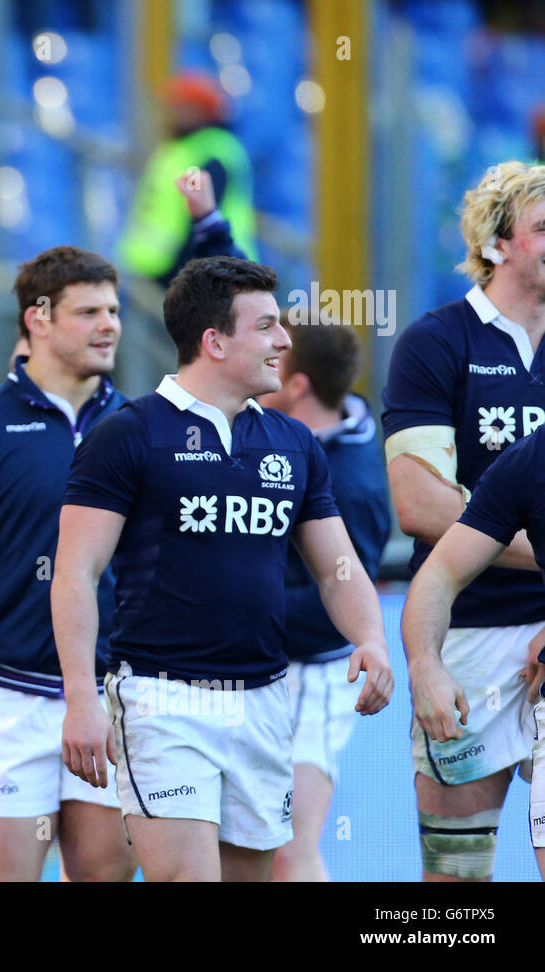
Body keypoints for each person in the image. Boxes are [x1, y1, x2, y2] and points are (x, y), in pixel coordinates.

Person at [52, 255, 392, 882]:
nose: (284, 341)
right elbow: (75, 572)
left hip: (266, 699)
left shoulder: (293, 445)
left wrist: (370, 636)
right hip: (162, 699)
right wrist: (80, 696)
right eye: (266, 327)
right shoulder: (127, 435)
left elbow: (338, 568)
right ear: (214, 342)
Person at [0, 245, 136, 882]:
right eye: (88, 310)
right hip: (5, 701)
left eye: (115, 310)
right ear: (38, 319)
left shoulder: (140, 427)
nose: (110, 325)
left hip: (111, 697)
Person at [385, 160, 545, 881]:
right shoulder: (437, 342)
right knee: (456, 876)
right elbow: (419, 505)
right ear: (498, 244)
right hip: (467, 635)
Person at [258, 317, 392, 881]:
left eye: (276, 357)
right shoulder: (284, 431)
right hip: (251, 671)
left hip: (309, 678)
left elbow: (335, 606)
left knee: (292, 847)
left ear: (298, 384)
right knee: (243, 848)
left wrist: (234, 614)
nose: (263, 361)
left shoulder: (352, 482)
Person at [401, 425, 545, 879]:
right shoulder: (531, 459)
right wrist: (425, 666)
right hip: (485, 660)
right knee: (456, 873)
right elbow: (439, 574)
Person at [119, 73, 258, 286]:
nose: (173, 113)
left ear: (201, 111)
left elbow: (202, 214)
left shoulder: (211, 151)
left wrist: (183, 274)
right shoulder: (182, 146)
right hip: (158, 269)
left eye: (182, 107)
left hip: (203, 271)